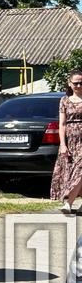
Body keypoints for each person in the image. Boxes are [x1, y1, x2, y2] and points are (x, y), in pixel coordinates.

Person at [51, 69, 82, 214]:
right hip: (70, 141)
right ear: (70, 84)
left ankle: (68, 203)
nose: (79, 86)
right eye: (76, 83)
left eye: (81, 83)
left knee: (80, 171)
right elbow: (62, 124)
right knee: (70, 172)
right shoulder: (64, 100)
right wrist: (63, 144)